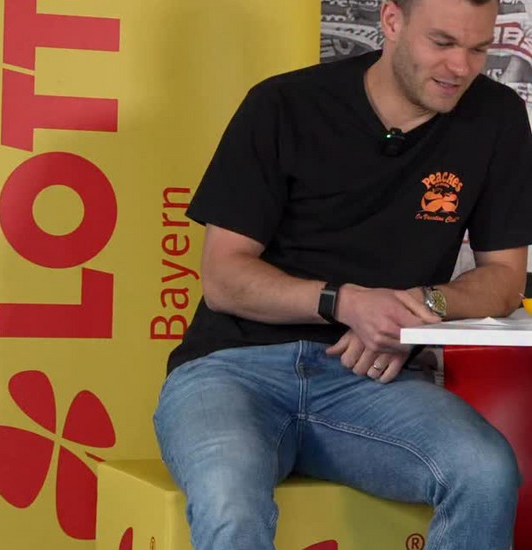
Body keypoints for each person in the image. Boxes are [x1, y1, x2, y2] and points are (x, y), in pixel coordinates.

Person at [154, 0, 532, 548]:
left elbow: (504, 279)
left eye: (479, 49)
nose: (461, 67)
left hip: (371, 381)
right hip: (231, 370)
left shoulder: (496, 117)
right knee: (229, 499)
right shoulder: (283, 104)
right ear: (392, 21)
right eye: (443, 43)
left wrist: (417, 307)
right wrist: (346, 302)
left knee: (486, 471)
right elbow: (223, 278)